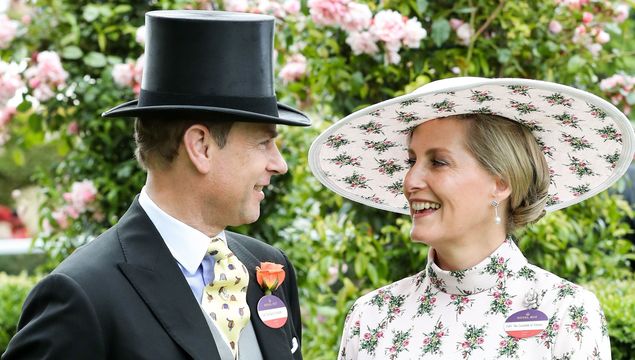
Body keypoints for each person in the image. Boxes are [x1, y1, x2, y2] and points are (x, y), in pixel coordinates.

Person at [2, 10, 309, 360]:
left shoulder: (268, 267)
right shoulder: (82, 296)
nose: (279, 164)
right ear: (201, 147)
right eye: (263, 143)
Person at [309, 77, 634, 359]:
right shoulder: (372, 316)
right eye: (411, 161)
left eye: (438, 162)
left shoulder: (566, 312)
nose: (410, 181)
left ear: (501, 182)